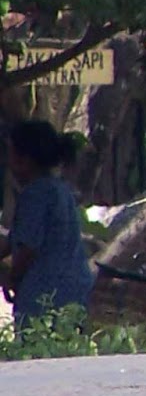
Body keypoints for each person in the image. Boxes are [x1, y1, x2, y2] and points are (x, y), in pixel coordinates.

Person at [2, 120, 96, 331]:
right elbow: (15, 239)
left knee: (36, 354)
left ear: (23, 160)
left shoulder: (35, 195)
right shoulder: (60, 190)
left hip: (45, 294)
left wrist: (12, 277)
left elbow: (27, 248)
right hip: (75, 290)